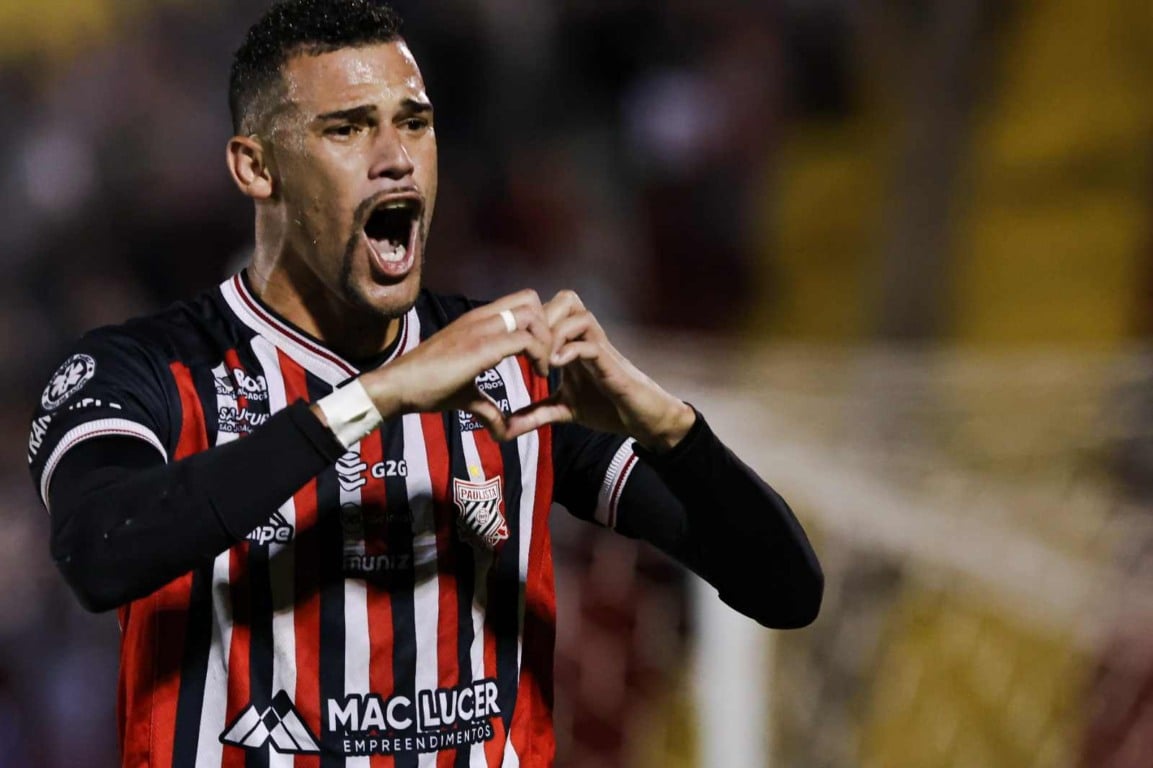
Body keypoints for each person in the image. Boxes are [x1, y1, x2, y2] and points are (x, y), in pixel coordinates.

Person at [26, 1, 822, 765]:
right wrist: (375, 398)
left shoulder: (513, 371)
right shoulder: (142, 370)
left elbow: (784, 591)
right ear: (256, 167)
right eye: (346, 129)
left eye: (413, 122)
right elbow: (101, 553)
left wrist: (669, 428)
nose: (394, 157)